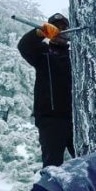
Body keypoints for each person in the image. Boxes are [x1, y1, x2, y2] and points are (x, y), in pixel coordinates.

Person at [17, 13, 74, 167]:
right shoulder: (41, 53)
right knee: (51, 166)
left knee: (86, 163)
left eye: (64, 28)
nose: (60, 32)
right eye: (55, 28)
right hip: (50, 120)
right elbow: (24, 46)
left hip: (76, 120)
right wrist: (39, 32)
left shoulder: (76, 57)